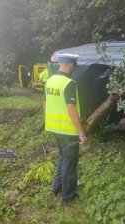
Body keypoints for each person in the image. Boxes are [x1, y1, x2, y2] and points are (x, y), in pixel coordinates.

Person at [44, 53, 87, 205]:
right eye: (74, 65)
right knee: (70, 163)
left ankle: (57, 188)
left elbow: (45, 104)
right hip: (68, 131)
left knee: (63, 158)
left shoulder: (50, 81)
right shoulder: (68, 83)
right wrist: (81, 132)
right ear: (69, 65)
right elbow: (71, 109)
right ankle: (67, 197)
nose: (74, 69)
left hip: (54, 128)